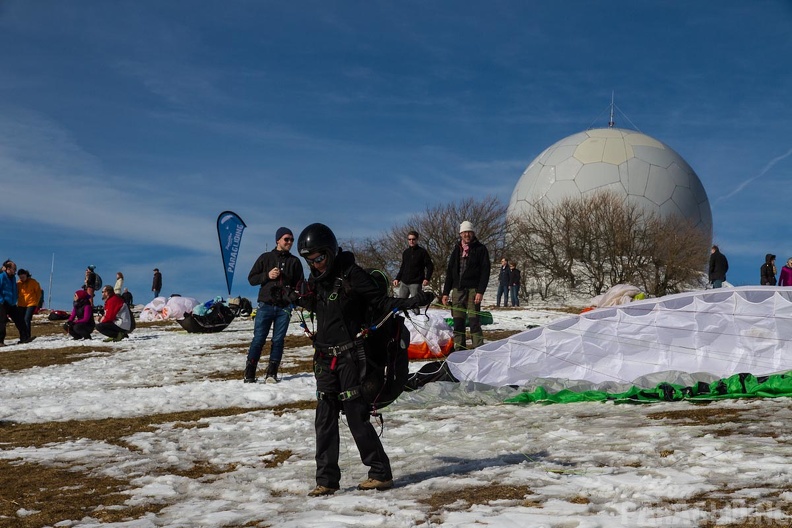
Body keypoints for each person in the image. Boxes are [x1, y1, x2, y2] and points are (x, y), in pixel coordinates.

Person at [295, 223, 433, 497]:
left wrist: (410, 302)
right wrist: (283, 295)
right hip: (324, 357)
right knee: (324, 418)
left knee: (356, 415)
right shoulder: (316, 281)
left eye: (319, 258)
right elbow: (312, 303)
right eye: (310, 261)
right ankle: (326, 480)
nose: (316, 265)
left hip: (350, 356)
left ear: (330, 252)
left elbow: (379, 302)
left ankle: (380, 473)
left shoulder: (351, 275)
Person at [243, 227, 303, 384]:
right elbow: (251, 279)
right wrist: (267, 276)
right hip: (266, 304)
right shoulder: (266, 257)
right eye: (286, 239)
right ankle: (249, 372)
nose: (289, 242)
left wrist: (295, 297)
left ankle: (272, 373)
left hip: (284, 307)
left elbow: (300, 284)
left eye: (291, 240)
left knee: (278, 340)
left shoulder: (295, 262)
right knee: (259, 339)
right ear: (278, 240)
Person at [441, 221, 491, 352]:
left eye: (469, 232)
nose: (466, 235)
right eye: (464, 232)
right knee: (458, 322)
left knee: (474, 321)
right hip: (458, 290)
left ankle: (478, 348)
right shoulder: (456, 250)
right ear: (460, 234)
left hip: (473, 290)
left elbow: (485, 271)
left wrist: (480, 291)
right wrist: (445, 292)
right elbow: (450, 272)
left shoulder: (481, 249)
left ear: (473, 233)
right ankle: (460, 349)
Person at [392, 230, 434, 299]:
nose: (411, 241)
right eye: (409, 239)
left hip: (416, 283)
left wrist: (427, 278)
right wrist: (397, 279)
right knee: (400, 303)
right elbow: (403, 267)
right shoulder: (406, 252)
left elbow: (430, 266)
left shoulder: (422, 252)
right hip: (404, 282)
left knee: (415, 304)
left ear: (417, 240)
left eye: (413, 239)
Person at [1, 260, 27, 346]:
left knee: (19, 319)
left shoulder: (13, 278)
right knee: (2, 321)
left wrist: (15, 298)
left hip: (12, 303)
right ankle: (0, 341)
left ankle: (24, 338)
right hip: (2, 303)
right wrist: (1, 300)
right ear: (8, 268)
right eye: (14, 268)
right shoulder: (2, 276)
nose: (15, 270)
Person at [16, 269, 42, 343]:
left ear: (26, 275)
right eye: (20, 277)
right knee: (21, 321)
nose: (22, 279)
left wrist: (36, 302)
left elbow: (38, 292)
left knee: (27, 319)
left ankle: (27, 336)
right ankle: (22, 337)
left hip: (31, 303)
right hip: (21, 304)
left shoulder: (33, 282)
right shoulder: (18, 284)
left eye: (23, 277)